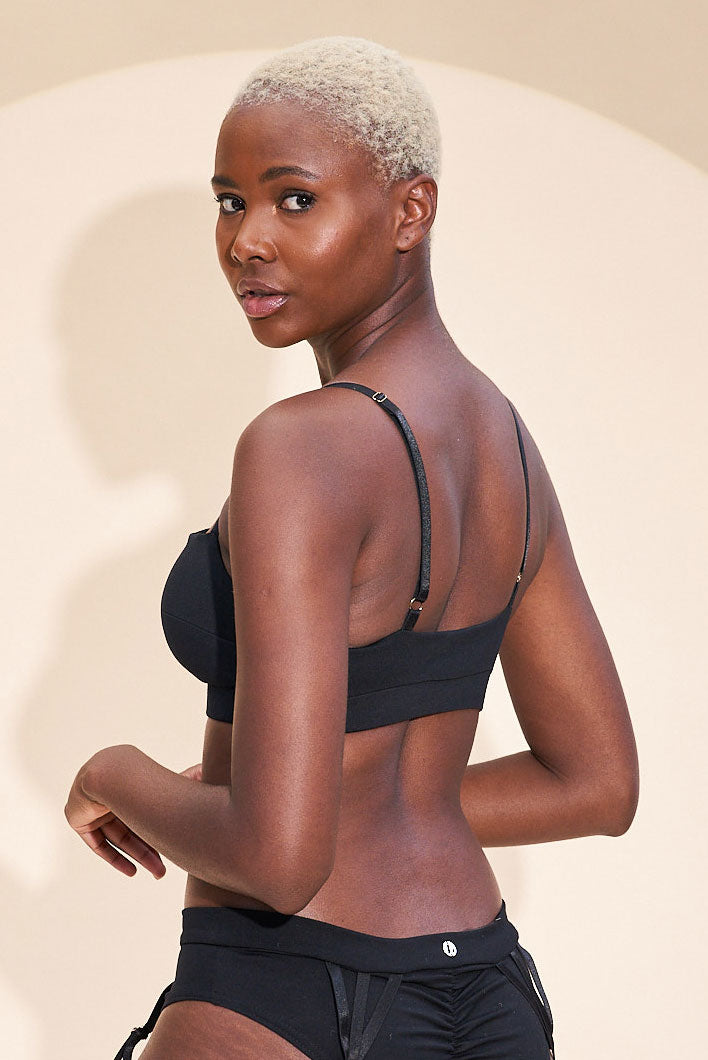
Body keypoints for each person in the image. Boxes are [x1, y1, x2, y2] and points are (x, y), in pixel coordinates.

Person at [64, 35, 639, 1060]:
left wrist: (117, 772)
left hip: (283, 989)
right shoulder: (504, 440)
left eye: (295, 200)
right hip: (492, 995)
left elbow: (276, 862)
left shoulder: (298, 448)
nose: (247, 240)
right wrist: (342, 795)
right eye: (229, 201)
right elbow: (596, 783)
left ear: (410, 212)